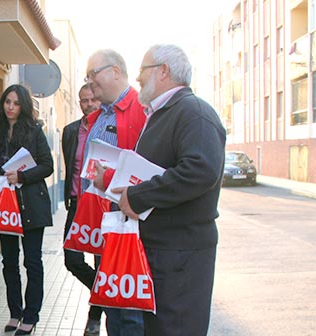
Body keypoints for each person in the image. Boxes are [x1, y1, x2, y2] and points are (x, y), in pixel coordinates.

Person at [110, 44, 226, 335]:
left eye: (142, 70)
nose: (136, 78)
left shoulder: (193, 112)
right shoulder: (166, 113)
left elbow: (200, 171)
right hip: (165, 251)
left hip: (180, 255)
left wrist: (137, 197)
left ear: (164, 71)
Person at [82, 49, 146, 336]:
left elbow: (143, 170)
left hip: (128, 219)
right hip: (105, 215)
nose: (89, 81)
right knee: (113, 302)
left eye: (93, 74)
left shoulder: (140, 110)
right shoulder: (100, 114)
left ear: (116, 72)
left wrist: (107, 179)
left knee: (128, 308)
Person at [0, 84, 54, 335]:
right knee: (8, 261)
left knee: (32, 261)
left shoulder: (34, 131)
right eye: (7, 102)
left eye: (15, 103)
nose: (10, 107)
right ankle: (15, 312)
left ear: (23, 106)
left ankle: (31, 316)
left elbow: (47, 165)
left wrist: (20, 177)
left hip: (31, 203)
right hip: (4, 205)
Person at [61, 84, 103, 336]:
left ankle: (95, 317)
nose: (88, 105)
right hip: (77, 204)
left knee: (101, 262)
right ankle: (103, 293)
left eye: (92, 100)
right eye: (83, 101)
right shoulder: (70, 131)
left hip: (101, 204)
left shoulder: (109, 127)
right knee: (71, 259)